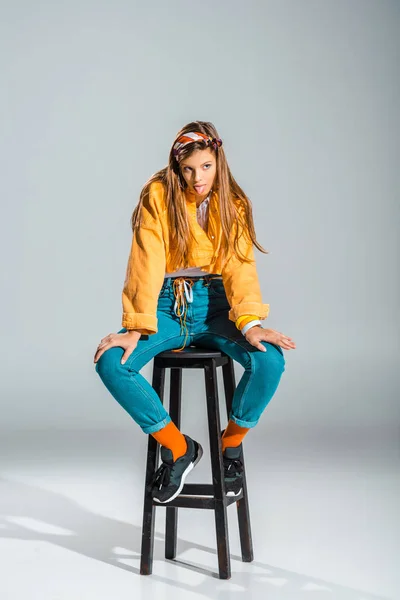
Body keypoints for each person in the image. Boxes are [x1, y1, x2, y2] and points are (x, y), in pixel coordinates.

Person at [93, 120, 296, 505]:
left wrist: (250, 323)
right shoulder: (158, 195)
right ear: (176, 166)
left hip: (218, 305)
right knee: (110, 363)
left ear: (218, 161)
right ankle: (178, 448)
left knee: (270, 361)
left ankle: (230, 447)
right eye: (188, 169)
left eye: (205, 166)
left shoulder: (233, 203)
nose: (197, 177)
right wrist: (134, 327)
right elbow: (145, 262)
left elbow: (240, 266)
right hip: (166, 305)